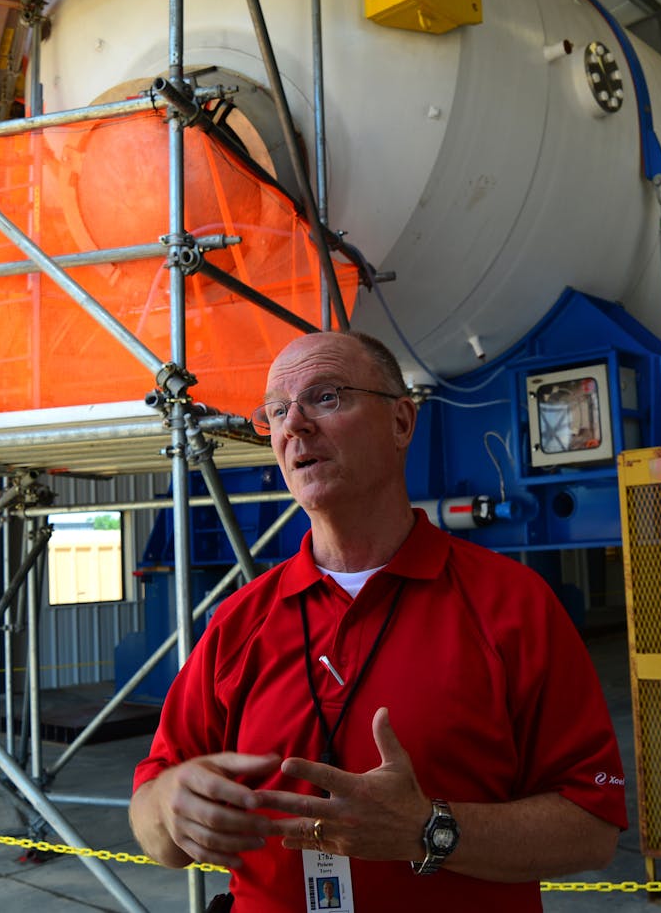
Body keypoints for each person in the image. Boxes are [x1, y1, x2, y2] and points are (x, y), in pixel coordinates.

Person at [129, 330, 627, 911]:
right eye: (276, 412)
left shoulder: (512, 605)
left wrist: (427, 829)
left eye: (326, 396)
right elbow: (151, 818)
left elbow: (592, 829)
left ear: (401, 424)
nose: (294, 425)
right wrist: (168, 807)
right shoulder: (240, 621)